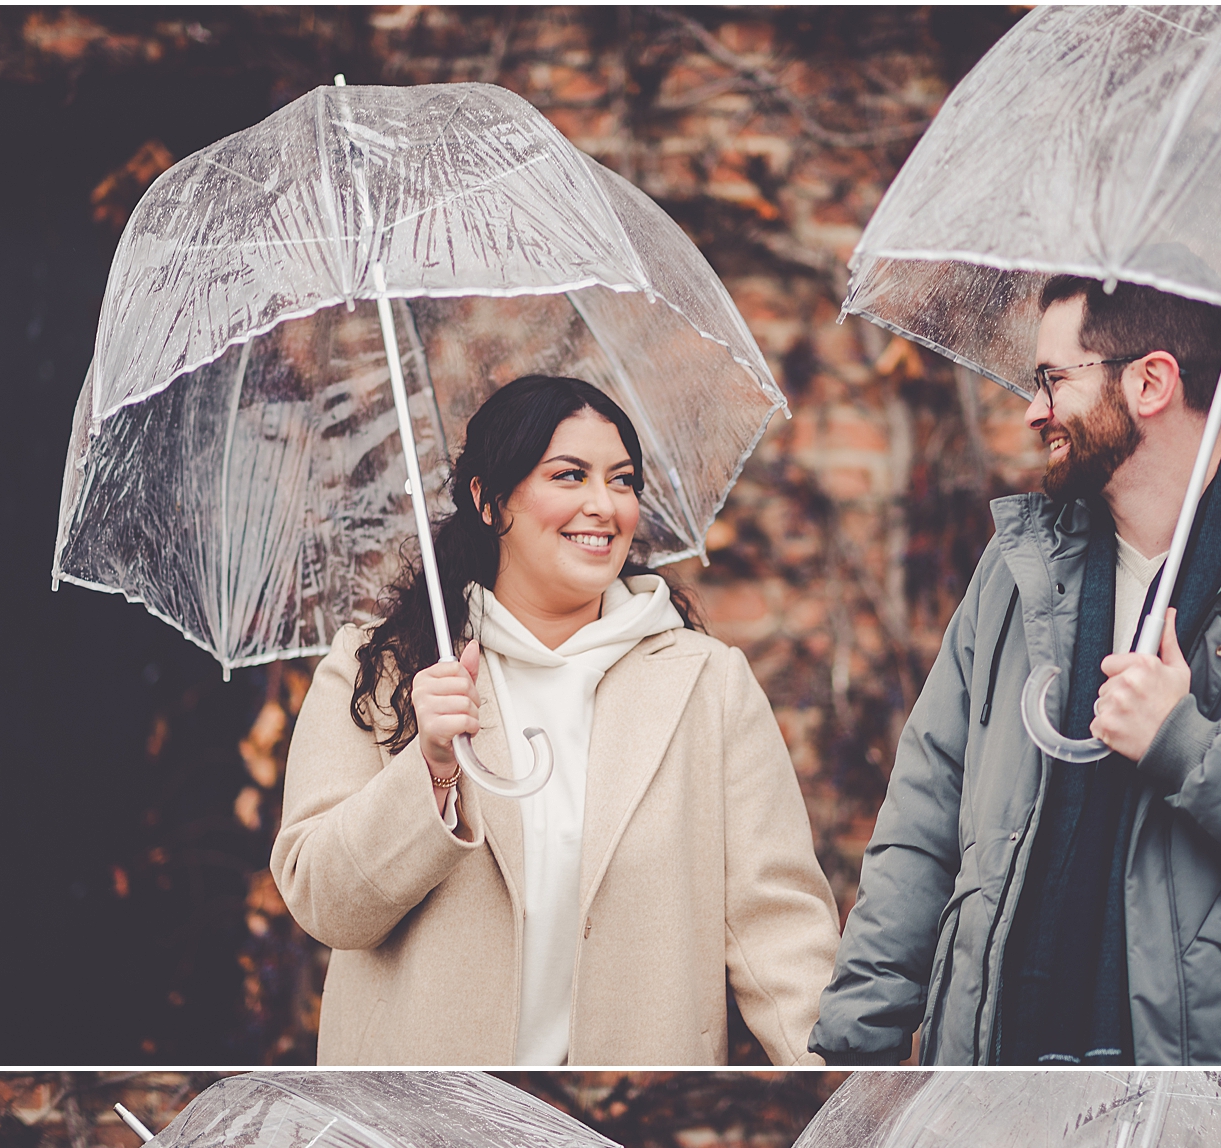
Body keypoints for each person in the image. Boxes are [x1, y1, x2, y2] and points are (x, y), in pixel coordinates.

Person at [812, 277, 1221, 1067]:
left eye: (1054, 381)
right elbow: (923, 819)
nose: (1033, 410)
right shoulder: (1016, 574)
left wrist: (1190, 746)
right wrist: (854, 1045)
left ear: (1150, 381)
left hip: (1212, 1103)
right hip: (1003, 1077)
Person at [271, 374, 840, 1066]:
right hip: (426, 1129)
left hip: (626, 1118)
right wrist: (430, 769)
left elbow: (778, 929)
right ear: (486, 498)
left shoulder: (708, 685)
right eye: (569, 476)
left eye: (623, 480)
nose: (604, 506)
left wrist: (837, 1085)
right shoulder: (380, 671)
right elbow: (325, 901)